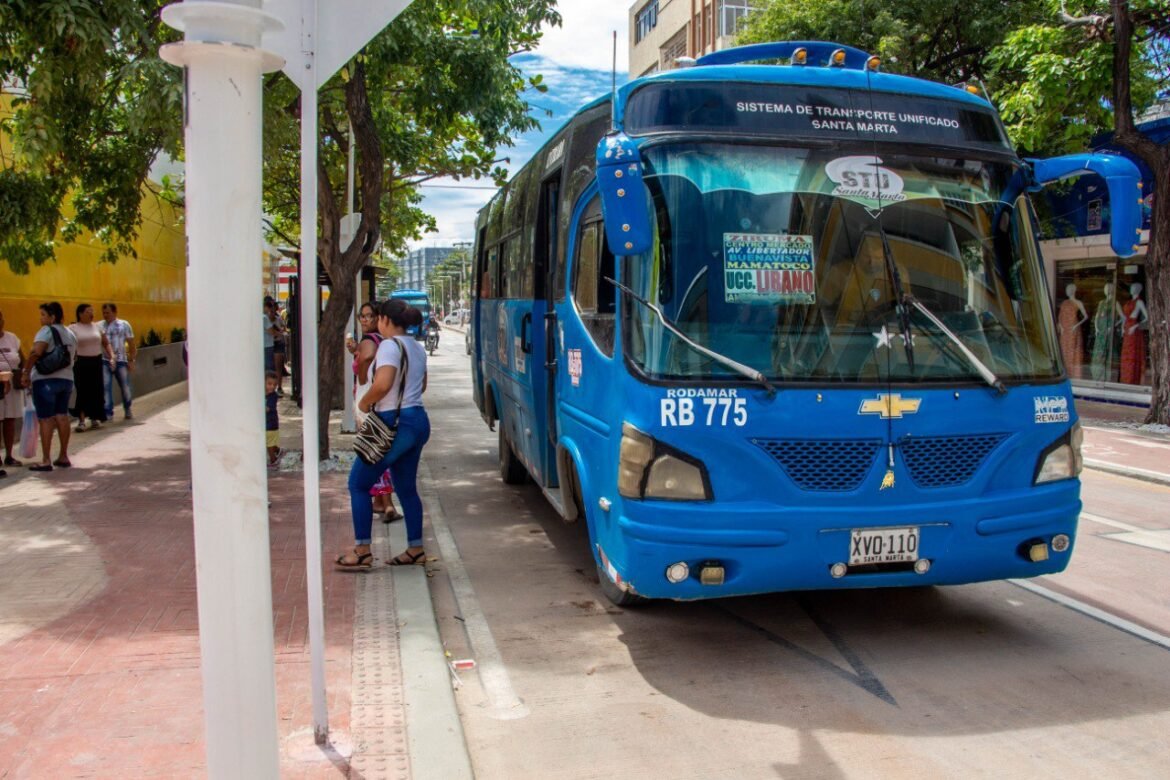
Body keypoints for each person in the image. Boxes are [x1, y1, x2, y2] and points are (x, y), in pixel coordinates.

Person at [339, 300, 430, 570]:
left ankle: (363, 549)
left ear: (385, 320)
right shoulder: (417, 347)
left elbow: (383, 383)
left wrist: (365, 403)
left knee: (358, 483)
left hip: (392, 422)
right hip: (417, 419)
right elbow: (421, 384)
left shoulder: (390, 345)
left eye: (377, 318)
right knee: (406, 489)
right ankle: (415, 548)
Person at [347, 302, 403, 522]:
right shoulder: (382, 340)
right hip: (378, 400)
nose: (365, 320)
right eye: (362, 316)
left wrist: (362, 375)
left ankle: (387, 504)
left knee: (372, 453)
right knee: (378, 450)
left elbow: (368, 359)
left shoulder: (369, 340)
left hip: (367, 399)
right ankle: (380, 502)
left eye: (370, 316)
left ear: (379, 318)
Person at [22, 302, 78, 471]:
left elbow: (36, 352)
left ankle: (46, 459)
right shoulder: (70, 332)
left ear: (52, 317)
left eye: (43, 315)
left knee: (46, 418)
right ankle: (63, 456)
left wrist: (26, 372)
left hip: (46, 380)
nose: (41, 318)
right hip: (67, 379)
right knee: (62, 415)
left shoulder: (46, 331)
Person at [68, 303, 110, 431]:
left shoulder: (97, 327)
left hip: (96, 361)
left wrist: (112, 355)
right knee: (82, 391)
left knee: (96, 390)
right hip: (81, 362)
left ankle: (94, 418)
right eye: (88, 311)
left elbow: (105, 342)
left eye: (92, 311)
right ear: (80, 314)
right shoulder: (73, 328)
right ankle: (81, 421)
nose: (91, 314)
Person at [99, 302, 136, 420]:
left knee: (125, 386)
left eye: (108, 313)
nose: (105, 315)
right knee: (105, 386)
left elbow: (131, 343)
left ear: (115, 312)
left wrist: (131, 360)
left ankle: (128, 408)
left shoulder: (124, 325)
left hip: (121, 360)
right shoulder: (100, 326)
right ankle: (108, 412)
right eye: (104, 313)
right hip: (105, 360)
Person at [0, 308, 26, 475]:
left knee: (9, 420)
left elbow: (22, 359)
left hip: (11, 385)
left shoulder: (12, 338)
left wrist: (21, 374)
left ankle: (9, 455)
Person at [265, 370, 281, 467]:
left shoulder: (273, 396)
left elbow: (268, 409)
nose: (272, 386)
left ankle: (273, 460)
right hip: (268, 424)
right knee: (271, 442)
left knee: (269, 444)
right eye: (269, 384)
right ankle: (277, 450)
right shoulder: (264, 394)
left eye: (274, 385)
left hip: (271, 424)